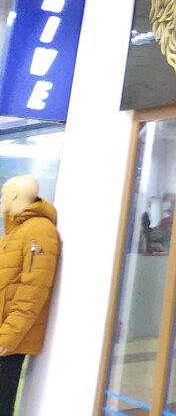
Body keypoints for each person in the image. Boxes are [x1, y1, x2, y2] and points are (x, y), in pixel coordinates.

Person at [0, 175, 61, 413]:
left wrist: (7, 338)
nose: (2, 199)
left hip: (8, 342)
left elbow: (33, 291)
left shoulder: (40, 231)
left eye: (4, 194)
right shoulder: (16, 231)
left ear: (14, 195)